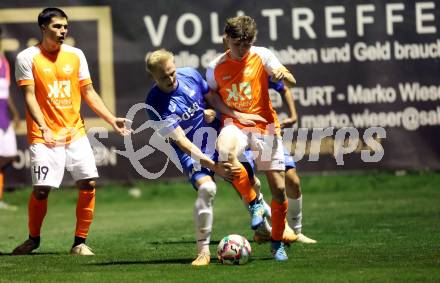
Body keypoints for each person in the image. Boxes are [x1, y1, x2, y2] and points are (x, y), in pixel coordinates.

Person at [12, 7, 131, 256]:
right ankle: (33, 239)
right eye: (57, 26)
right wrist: (44, 127)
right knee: (41, 190)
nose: (62, 31)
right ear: (44, 28)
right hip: (44, 136)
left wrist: (111, 119)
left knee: (88, 183)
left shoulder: (76, 55)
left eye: (65, 26)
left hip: (74, 132)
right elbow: (29, 97)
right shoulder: (27, 57)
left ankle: (79, 242)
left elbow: (88, 92)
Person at [145, 49, 265, 266]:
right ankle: (203, 252)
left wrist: (214, 111)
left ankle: (265, 228)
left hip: (216, 136)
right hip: (191, 152)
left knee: (246, 178)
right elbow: (181, 141)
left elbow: (212, 99)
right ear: (153, 76)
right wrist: (212, 166)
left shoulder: (190, 74)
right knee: (207, 188)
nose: (171, 78)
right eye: (164, 76)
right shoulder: (154, 104)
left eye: (172, 72)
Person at [206, 15, 296, 261]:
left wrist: (282, 74)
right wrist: (234, 114)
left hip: (264, 126)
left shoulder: (262, 55)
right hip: (235, 123)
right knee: (225, 152)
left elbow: (288, 77)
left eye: (247, 44)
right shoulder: (214, 67)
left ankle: (276, 242)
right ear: (226, 39)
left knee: (279, 190)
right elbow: (213, 98)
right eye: (237, 44)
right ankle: (255, 202)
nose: (242, 49)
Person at [252, 79, 317, 244]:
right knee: (248, 183)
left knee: (292, 180)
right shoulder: (222, 69)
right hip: (240, 133)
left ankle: (296, 232)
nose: (242, 51)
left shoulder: (259, 67)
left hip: (267, 132)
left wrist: (293, 115)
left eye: (246, 49)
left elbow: (284, 88)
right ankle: (264, 229)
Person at [0, 25, 19, 211]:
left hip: (4, 115)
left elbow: (5, 91)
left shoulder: (3, 60)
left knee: (9, 156)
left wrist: (14, 112)